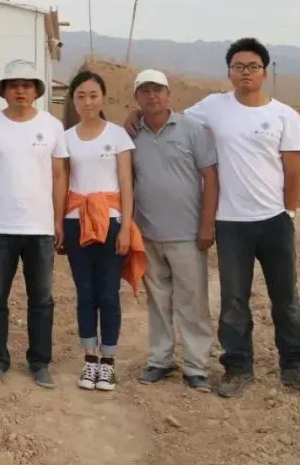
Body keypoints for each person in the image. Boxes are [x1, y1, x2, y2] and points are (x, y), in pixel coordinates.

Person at [180, 38, 300, 397]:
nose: (245, 72)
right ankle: (238, 368)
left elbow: (293, 171)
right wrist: (135, 116)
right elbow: (175, 120)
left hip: (274, 220)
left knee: (286, 297)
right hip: (230, 222)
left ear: (264, 73)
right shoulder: (213, 107)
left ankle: (294, 364)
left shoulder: (285, 116)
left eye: (253, 67)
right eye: (238, 66)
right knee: (234, 300)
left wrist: (288, 213)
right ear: (229, 72)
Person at [0, 59, 67, 389]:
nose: (20, 91)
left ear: (36, 90)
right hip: (0, 228)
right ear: (4, 91)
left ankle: (40, 362)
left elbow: (59, 175)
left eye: (27, 85)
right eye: (14, 85)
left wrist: (58, 220)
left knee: (42, 300)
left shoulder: (52, 126)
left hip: (40, 229)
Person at [130, 69, 218, 392]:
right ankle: (160, 360)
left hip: (187, 233)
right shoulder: (131, 134)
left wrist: (207, 224)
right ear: (136, 98)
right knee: (158, 300)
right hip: (148, 233)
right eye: (145, 91)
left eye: (158, 89)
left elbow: (211, 178)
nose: (152, 96)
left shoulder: (192, 130)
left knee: (192, 302)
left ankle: (196, 366)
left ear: (168, 94)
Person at [61, 70, 145, 392]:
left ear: (103, 98)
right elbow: (62, 181)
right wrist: (59, 223)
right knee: (85, 292)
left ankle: (108, 362)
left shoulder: (117, 136)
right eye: (81, 96)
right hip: (76, 220)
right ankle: (89, 358)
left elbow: (126, 184)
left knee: (108, 293)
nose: (87, 102)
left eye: (93, 95)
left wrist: (125, 228)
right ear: (73, 100)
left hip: (111, 221)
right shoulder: (66, 138)